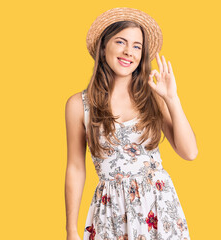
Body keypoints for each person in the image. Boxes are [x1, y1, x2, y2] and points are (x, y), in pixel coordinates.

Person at [64, 7, 198, 240]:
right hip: (110, 213)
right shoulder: (79, 104)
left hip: (157, 208)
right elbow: (75, 168)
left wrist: (172, 99)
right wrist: (71, 230)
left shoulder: (153, 96)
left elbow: (190, 153)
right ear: (104, 45)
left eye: (137, 46)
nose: (129, 52)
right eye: (121, 42)